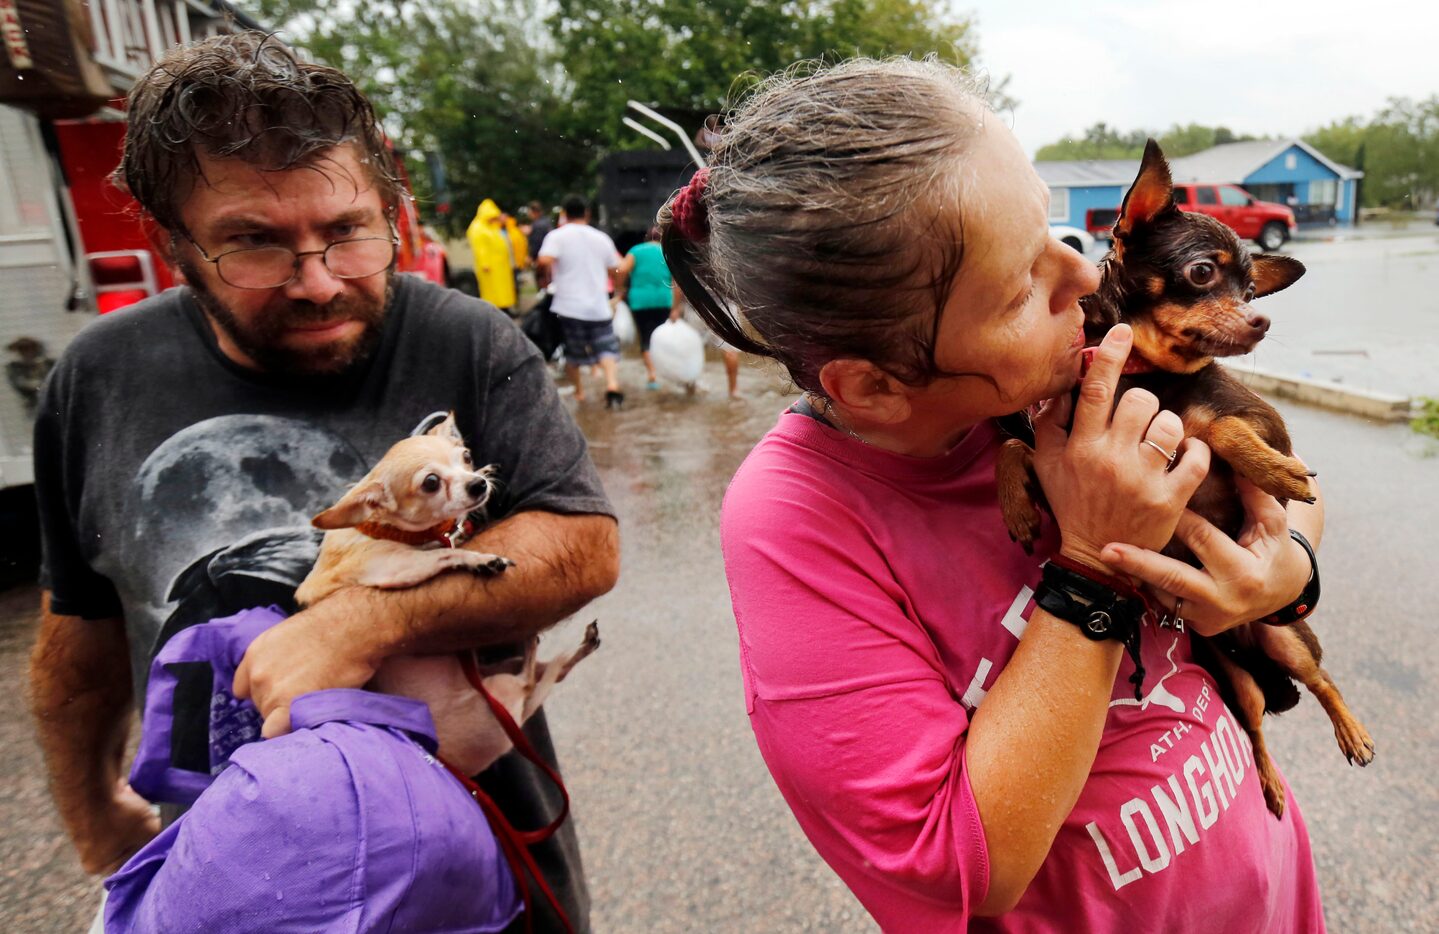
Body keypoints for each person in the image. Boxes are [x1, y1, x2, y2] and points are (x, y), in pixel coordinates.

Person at [660, 59, 1326, 931]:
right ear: (871, 386)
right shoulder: (797, 518)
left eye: (1060, 236)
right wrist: (1090, 566)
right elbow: (949, 870)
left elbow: (1284, 474)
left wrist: (1285, 572)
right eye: (1022, 286)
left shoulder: (1071, 367)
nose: (1083, 279)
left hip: (1274, 891)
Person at [27, 32, 618, 933]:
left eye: (346, 232)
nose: (316, 283)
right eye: (254, 244)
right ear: (169, 239)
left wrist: (368, 616)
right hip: (237, 880)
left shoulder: (467, 340)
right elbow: (79, 639)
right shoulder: (96, 377)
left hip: (477, 870)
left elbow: (582, 544)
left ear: (389, 208)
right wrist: (93, 807)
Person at [536, 196, 624, 408]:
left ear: (564, 213)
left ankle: (579, 392)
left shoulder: (557, 236)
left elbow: (543, 260)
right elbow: (618, 267)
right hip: (598, 306)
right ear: (587, 213)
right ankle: (611, 384)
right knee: (606, 347)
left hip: (568, 306)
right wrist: (619, 291)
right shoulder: (601, 238)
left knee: (573, 352)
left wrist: (543, 278)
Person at [616, 226, 675, 390]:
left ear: (646, 237)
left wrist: (619, 289)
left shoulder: (636, 250)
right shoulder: (667, 251)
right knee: (662, 337)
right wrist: (677, 307)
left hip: (640, 301)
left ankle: (653, 374)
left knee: (646, 337)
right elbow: (677, 280)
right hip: (664, 299)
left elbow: (620, 269)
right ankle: (668, 370)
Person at [468, 197, 518, 313]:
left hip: (500, 266)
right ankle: (496, 310)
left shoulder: (491, 227)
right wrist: (484, 263)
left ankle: (505, 307)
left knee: (502, 289)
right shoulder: (477, 228)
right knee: (493, 291)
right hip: (490, 267)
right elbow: (480, 249)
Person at [528, 200, 554, 265]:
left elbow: (536, 243)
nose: (529, 214)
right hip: (550, 255)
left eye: (530, 212)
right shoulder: (547, 221)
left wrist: (532, 257)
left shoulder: (537, 225)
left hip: (541, 258)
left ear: (535, 212)